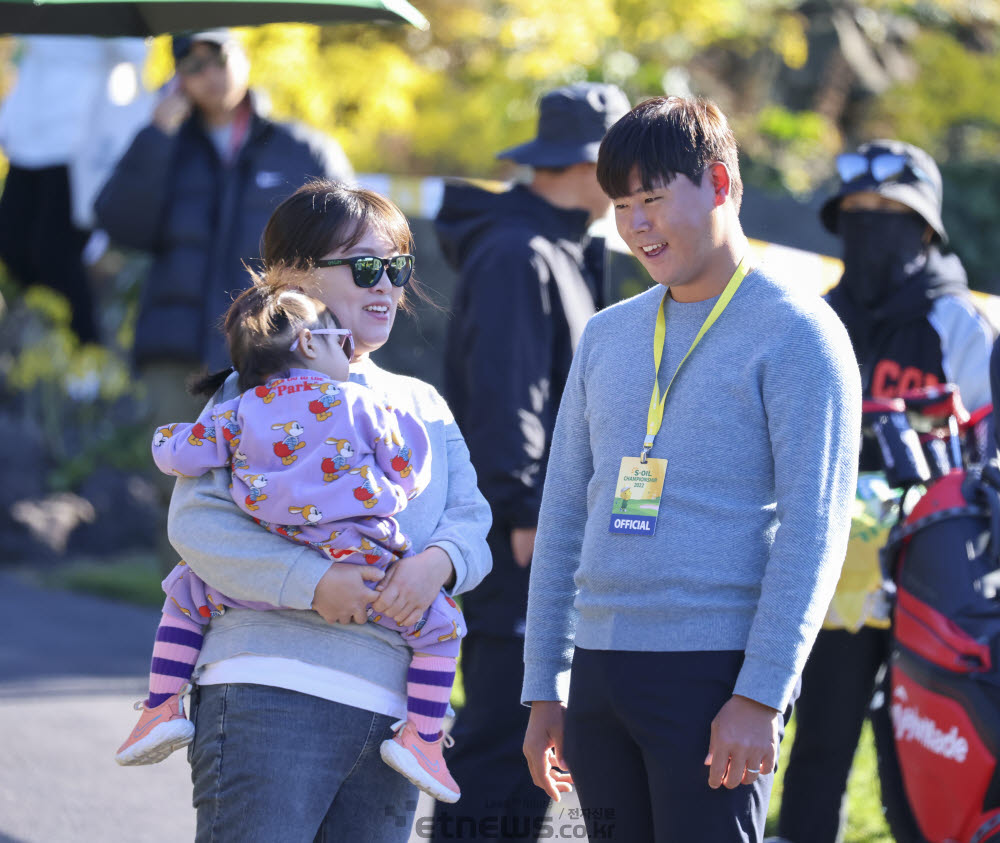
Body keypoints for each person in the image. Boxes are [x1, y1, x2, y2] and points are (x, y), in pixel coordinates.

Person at [520, 95, 862, 842]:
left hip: (715, 674)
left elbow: (815, 528)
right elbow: (564, 516)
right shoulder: (609, 336)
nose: (636, 222)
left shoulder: (800, 333)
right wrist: (545, 684)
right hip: (600, 674)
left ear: (719, 182)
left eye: (652, 197)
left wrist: (762, 695)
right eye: (620, 203)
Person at [163, 181, 491, 841]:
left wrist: (439, 564)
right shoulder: (252, 388)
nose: (386, 285)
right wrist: (313, 581)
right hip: (267, 689)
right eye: (366, 267)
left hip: (397, 715)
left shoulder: (421, 400)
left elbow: (471, 517)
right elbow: (196, 524)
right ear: (293, 277)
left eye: (397, 268)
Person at [115, 276, 466, 802]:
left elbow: (178, 454)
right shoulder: (358, 403)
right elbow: (406, 470)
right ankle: (423, 739)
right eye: (339, 341)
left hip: (273, 557)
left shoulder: (237, 410)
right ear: (309, 344)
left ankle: (160, 708)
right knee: (440, 630)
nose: (349, 353)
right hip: (366, 563)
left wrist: (165, 440)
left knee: (185, 595)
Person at [774, 140, 995, 843]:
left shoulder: (962, 324)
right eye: (857, 214)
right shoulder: (817, 320)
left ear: (925, 226)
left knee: (926, 757)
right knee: (818, 753)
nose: (870, 228)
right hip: (837, 575)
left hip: (939, 576)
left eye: (888, 214)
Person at [432, 81, 629, 840]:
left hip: (547, 525)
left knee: (534, 739)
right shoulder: (520, 250)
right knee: (498, 737)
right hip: (525, 532)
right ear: (591, 164)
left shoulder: (559, 242)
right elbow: (508, 392)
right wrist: (520, 511)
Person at [94, 29, 353, 568]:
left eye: (218, 58)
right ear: (177, 77)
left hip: (275, 351)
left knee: (273, 480)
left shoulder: (300, 147)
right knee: (183, 487)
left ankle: (259, 615)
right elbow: (120, 223)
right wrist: (157, 134)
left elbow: (348, 246)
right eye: (191, 63)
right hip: (177, 347)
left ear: (244, 58)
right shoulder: (165, 143)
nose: (208, 72)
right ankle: (186, 614)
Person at [0, 36, 150, 343]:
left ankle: (85, 352)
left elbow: (134, 51)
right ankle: (49, 336)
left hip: (77, 146)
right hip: (27, 143)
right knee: (11, 245)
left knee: (54, 253)